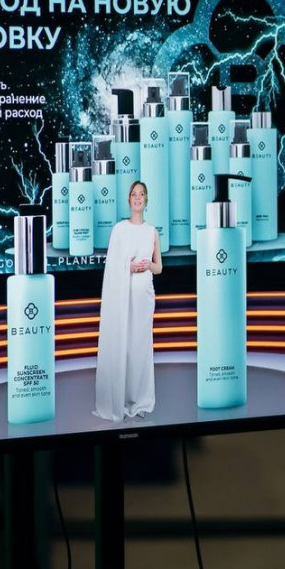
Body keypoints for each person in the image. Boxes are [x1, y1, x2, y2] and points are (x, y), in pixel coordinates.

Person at [94, 180, 161, 421]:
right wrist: (128, 267)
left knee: (141, 347)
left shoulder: (152, 231)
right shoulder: (120, 230)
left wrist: (148, 265)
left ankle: (141, 400)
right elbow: (112, 264)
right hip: (123, 298)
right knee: (123, 344)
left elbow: (159, 268)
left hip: (144, 298)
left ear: (146, 200)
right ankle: (120, 398)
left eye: (142, 194)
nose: (138, 197)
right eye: (134, 194)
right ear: (129, 200)